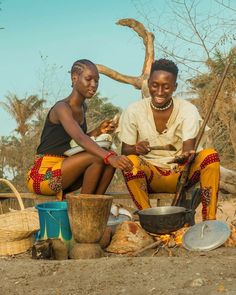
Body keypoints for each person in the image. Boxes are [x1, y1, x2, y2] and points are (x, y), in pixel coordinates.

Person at [118, 58, 220, 221]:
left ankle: (209, 222)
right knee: (130, 162)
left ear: (175, 87)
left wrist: (187, 156)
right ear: (148, 83)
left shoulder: (188, 109)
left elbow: (188, 148)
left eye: (166, 86)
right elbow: (125, 150)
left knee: (210, 156)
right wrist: (136, 149)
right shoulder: (133, 110)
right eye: (154, 85)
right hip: (150, 174)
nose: (159, 91)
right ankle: (150, 219)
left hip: (181, 173)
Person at [27, 59, 133, 200]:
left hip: (67, 170)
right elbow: (80, 138)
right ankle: (83, 209)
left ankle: (93, 208)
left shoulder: (83, 108)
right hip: (42, 175)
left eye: (97, 80)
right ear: (75, 78)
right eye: (88, 79)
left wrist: (98, 131)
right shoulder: (62, 108)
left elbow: (74, 141)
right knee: (101, 156)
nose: (93, 85)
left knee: (107, 160)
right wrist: (109, 157)